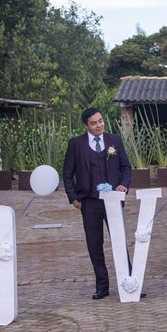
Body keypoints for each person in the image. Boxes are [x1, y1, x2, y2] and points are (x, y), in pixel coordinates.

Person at [63, 107, 132, 300]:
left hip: (113, 200)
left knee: (119, 242)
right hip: (89, 202)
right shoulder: (76, 144)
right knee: (94, 244)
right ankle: (102, 286)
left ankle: (129, 283)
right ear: (86, 125)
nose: (99, 125)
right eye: (94, 123)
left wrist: (124, 185)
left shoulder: (114, 141)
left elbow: (126, 168)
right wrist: (73, 197)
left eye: (100, 121)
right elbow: (67, 173)